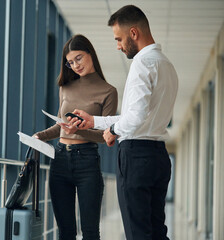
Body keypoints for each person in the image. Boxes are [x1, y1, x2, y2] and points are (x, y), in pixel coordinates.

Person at [68, 5, 178, 240]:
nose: (117, 45)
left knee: (138, 233)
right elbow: (136, 115)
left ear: (134, 33)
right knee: (157, 232)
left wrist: (113, 131)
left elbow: (135, 118)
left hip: (136, 158)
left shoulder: (141, 64)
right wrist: (95, 121)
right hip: (158, 156)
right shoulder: (167, 65)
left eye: (119, 38)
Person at [34, 34, 118, 240]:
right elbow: (60, 126)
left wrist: (78, 130)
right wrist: (39, 136)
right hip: (60, 160)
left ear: (91, 53)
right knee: (65, 232)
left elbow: (105, 136)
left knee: (90, 232)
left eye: (78, 58)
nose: (75, 65)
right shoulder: (65, 87)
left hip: (87, 161)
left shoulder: (108, 92)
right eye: (70, 62)